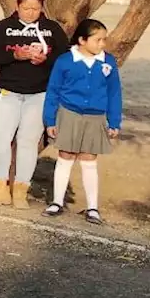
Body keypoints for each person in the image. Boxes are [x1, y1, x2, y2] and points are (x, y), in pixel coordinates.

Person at [0, 0, 69, 209]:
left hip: (38, 94)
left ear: (42, 8)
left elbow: (65, 61)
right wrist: (16, 56)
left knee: (28, 142)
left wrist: (45, 59)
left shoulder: (52, 30)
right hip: (8, 93)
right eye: (26, 8)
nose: (30, 13)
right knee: (0, 138)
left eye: (35, 9)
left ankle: (21, 191)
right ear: (17, 5)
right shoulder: (3, 28)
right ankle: (0, 188)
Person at [42, 18, 123, 225]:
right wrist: (49, 119)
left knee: (89, 160)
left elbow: (114, 93)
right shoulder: (65, 61)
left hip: (95, 117)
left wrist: (114, 122)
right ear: (82, 40)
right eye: (98, 40)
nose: (102, 44)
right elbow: (53, 91)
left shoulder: (108, 62)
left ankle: (93, 208)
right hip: (69, 113)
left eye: (104, 40)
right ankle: (57, 202)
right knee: (66, 156)